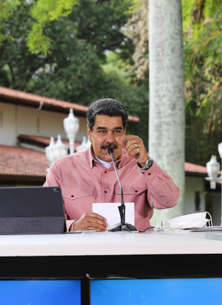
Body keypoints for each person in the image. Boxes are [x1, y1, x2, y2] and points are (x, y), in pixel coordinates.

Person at [44, 98, 180, 231]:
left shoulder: (142, 165)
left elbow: (169, 201)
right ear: (90, 133)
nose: (110, 139)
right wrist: (74, 226)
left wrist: (146, 163)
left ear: (124, 132)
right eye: (102, 131)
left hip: (135, 251)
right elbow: (45, 219)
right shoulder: (61, 169)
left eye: (116, 131)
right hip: (84, 251)